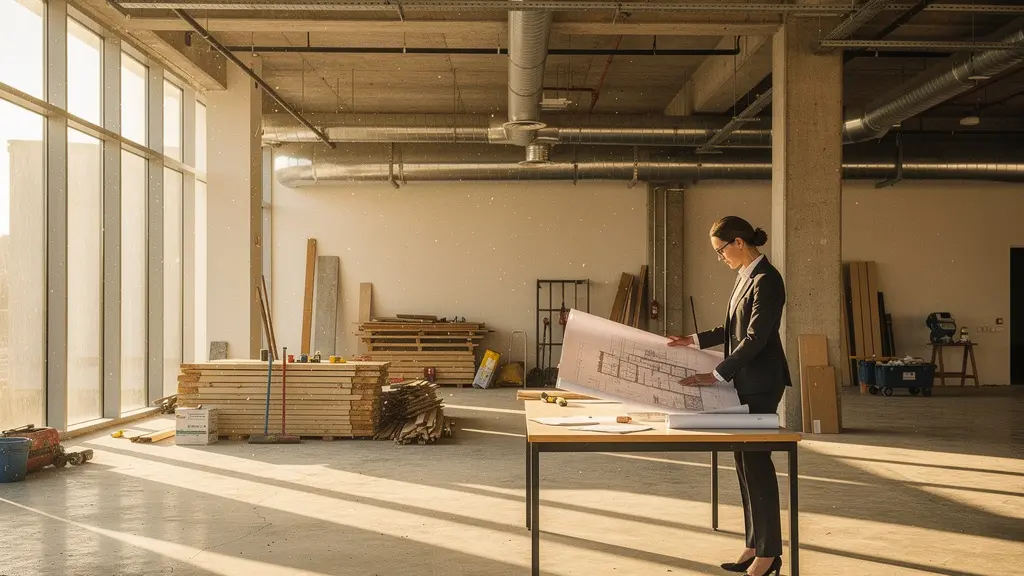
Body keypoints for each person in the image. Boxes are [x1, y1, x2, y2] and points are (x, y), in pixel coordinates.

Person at [667, 215, 791, 576]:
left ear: (738, 242)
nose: (720, 257)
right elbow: (731, 329)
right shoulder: (745, 277)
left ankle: (769, 555)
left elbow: (756, 337)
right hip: (745, 381)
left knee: (756, 464)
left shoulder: (768, 279)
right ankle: (754, 545)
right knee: (743, 464)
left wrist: (718, 373)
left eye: (721, 250)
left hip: (761, 383)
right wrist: (692, 340)